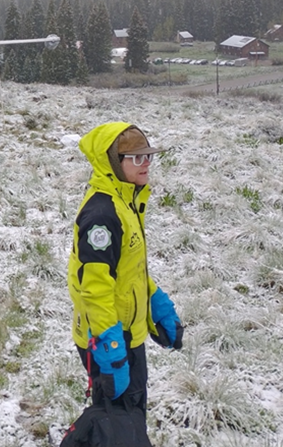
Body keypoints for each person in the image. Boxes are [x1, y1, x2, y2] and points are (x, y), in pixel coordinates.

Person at [67, 122, 184, 417]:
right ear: (114, 163)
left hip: (128, 334)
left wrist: (155, 302)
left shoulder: (126, 201)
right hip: (108, 340)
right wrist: (111, 349)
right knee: (118, 423)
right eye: (136, 158)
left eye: (148, 157)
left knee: (130, 414)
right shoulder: (102, 216)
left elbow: (128, 270)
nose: (146, 164)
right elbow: (94, 289)